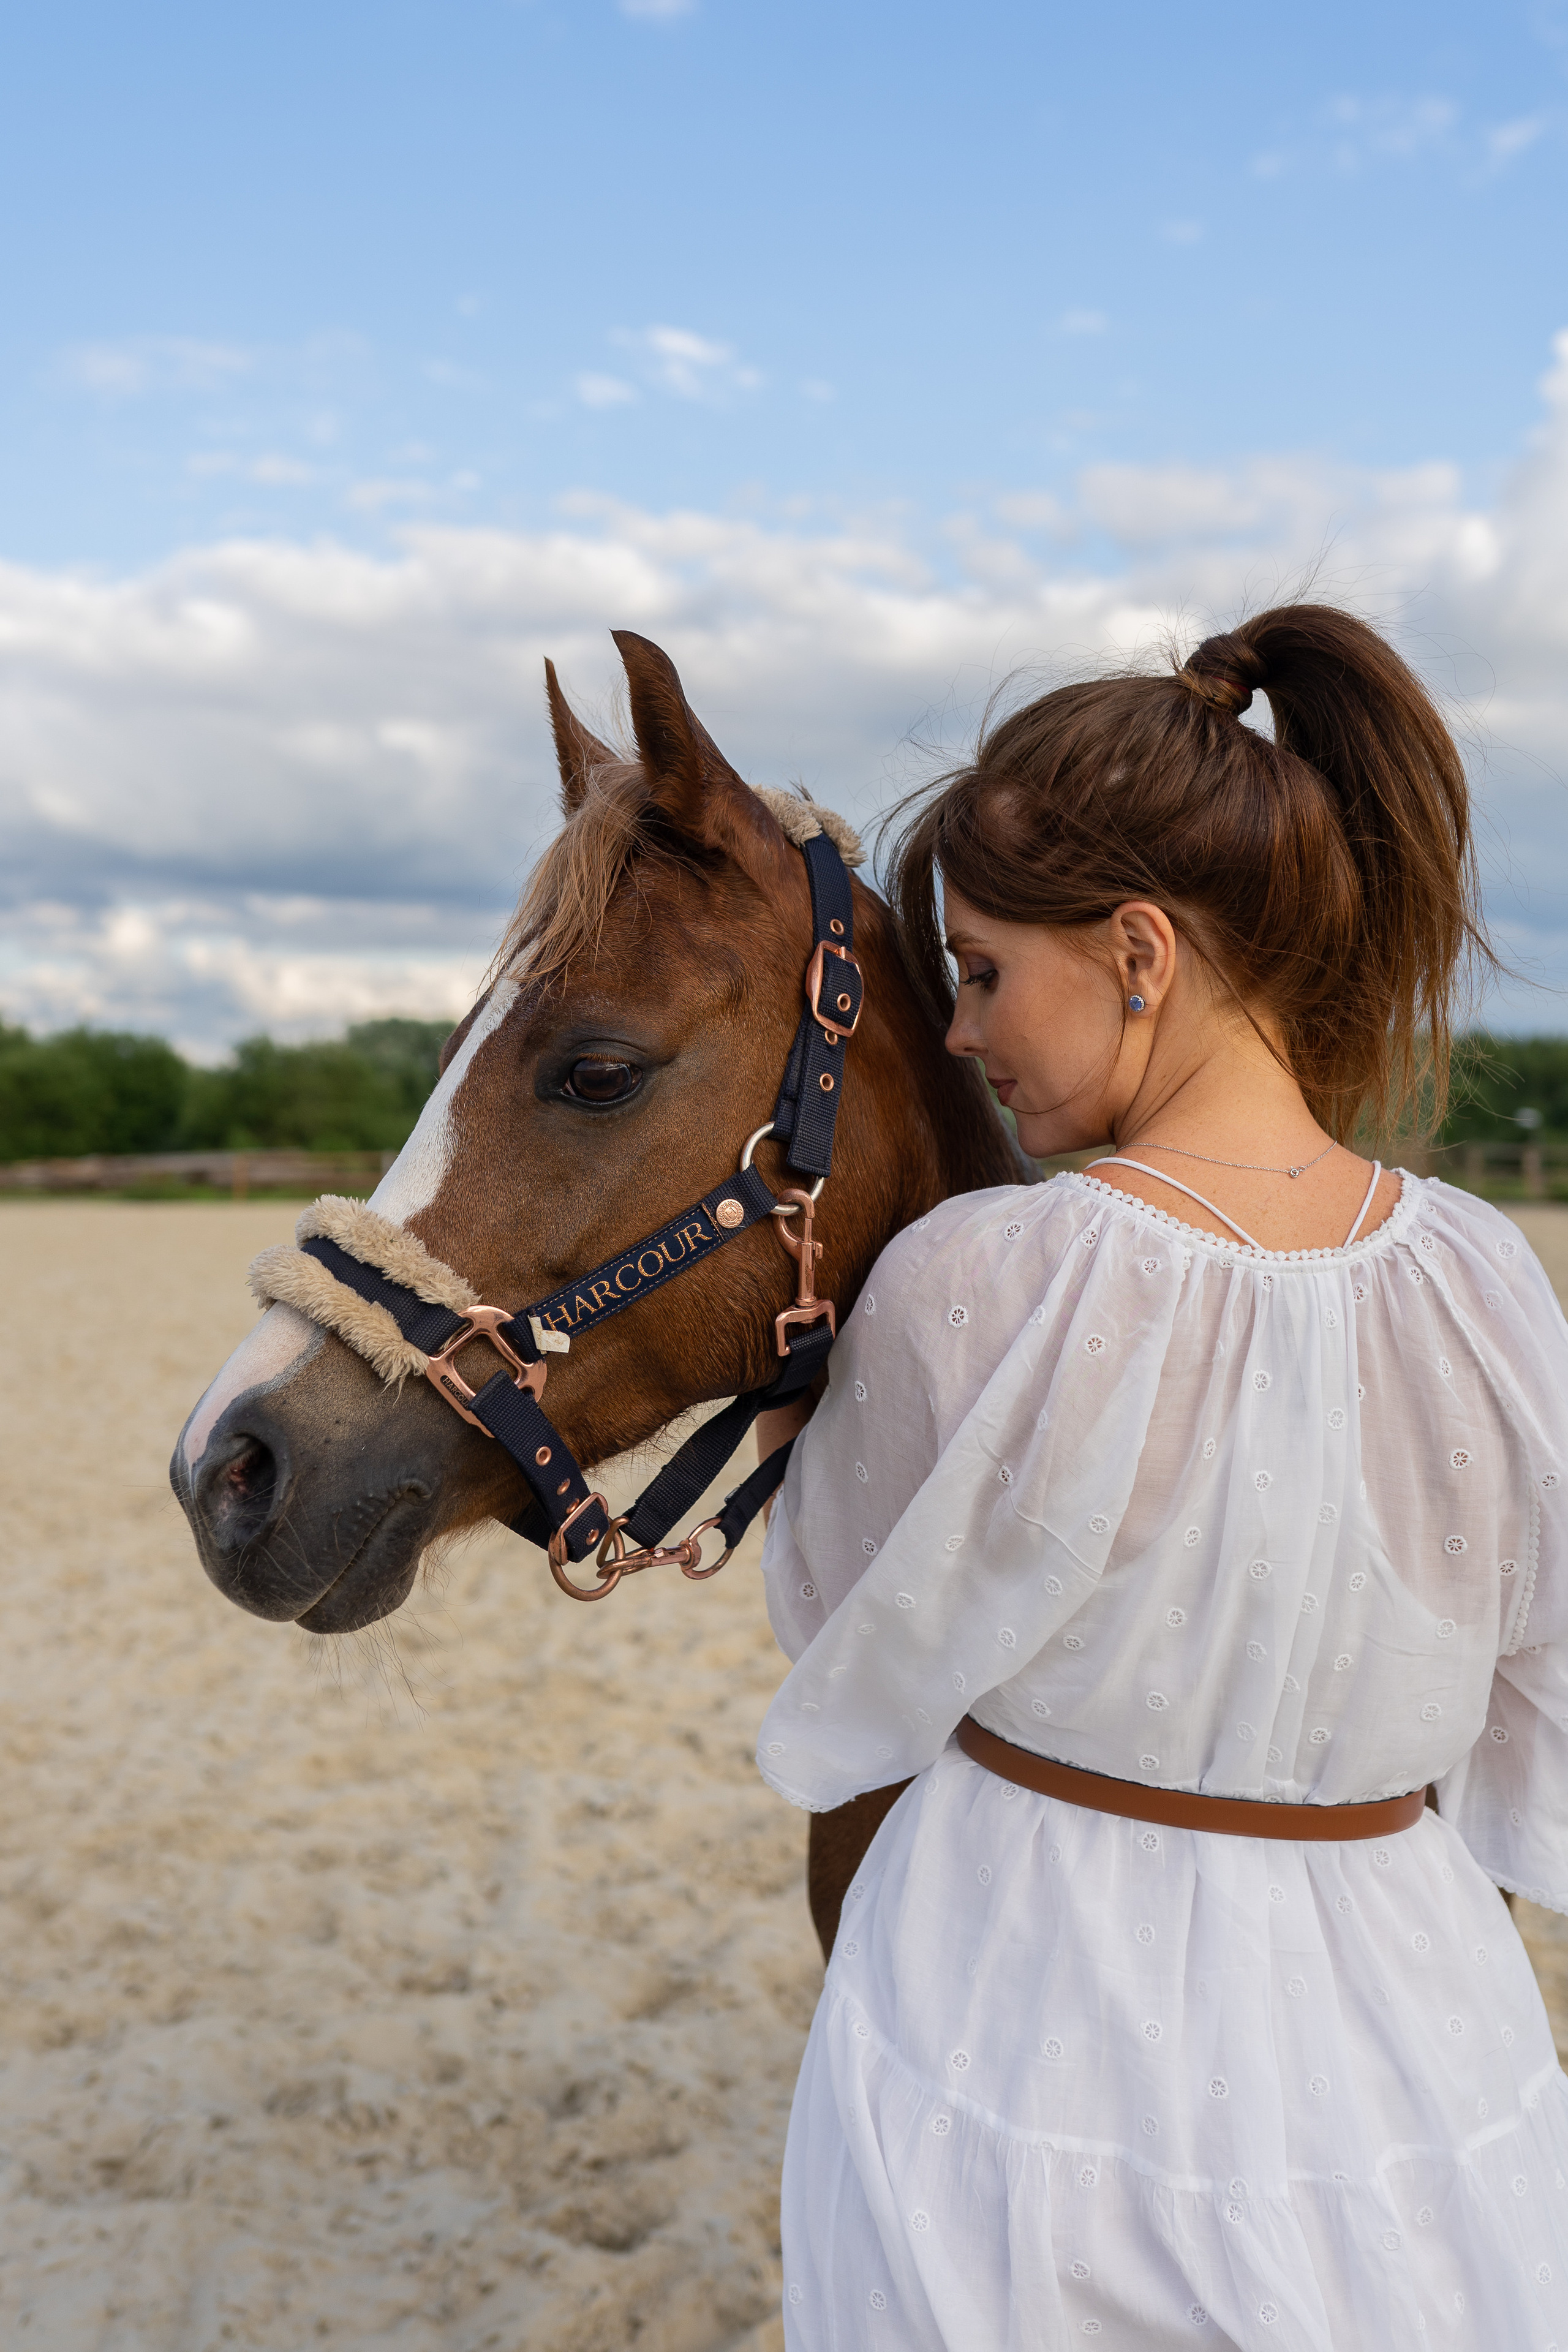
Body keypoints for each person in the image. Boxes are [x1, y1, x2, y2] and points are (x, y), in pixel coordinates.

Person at [753, 605, 1568, 2350]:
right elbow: (1522, 1666)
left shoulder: (985, 1272)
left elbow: (851, 1647)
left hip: (1030, 1992)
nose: (964, 1034)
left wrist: (798, 1430)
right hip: (1413, 2004)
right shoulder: (1489, 1275)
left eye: (980, 973)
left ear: (1135, 948)